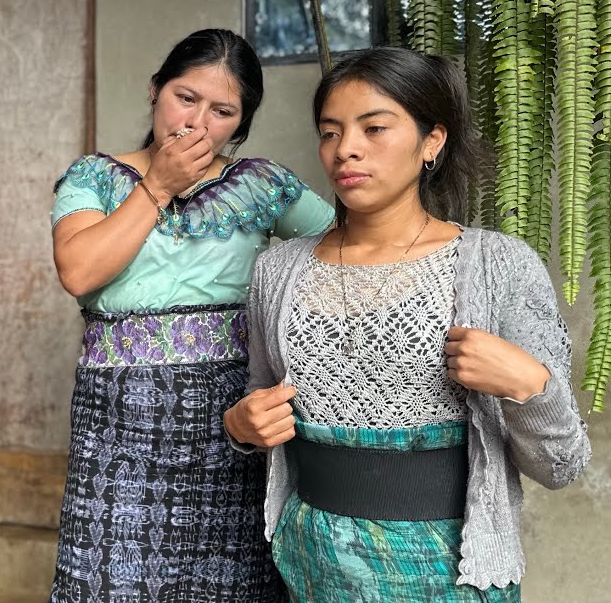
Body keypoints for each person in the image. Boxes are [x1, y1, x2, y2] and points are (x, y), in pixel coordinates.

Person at [223, 47, 591, 602]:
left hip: (448, 569)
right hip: (310, 558)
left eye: (374, 128)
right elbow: (258, 397)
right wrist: (242, 426)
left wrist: (528, 384)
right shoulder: (279, 269)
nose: (346, 149)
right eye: (330, 132)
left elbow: (562, 464)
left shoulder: (498, 265)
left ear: (432, 141)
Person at [48, 29, 335, 602]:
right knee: (108, 581)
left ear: (240, 124)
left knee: (228, 586)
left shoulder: (261, 185)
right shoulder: (95, 178)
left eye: (222, 110)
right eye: (185, 97)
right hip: (117, 422)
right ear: (155, 91)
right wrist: (156, 186)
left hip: (232, 420)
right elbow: (78, 271)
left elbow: (352, 247)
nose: (196, 123)